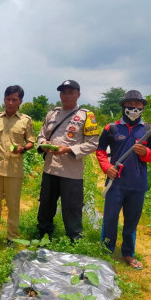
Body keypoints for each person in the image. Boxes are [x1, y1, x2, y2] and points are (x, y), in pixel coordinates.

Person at [96, 90, 151, 269]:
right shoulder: (111, 128)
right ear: (124, 106)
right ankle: (106, 250)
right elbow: (100, 150)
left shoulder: (149, 130)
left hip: (137, 184)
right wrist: (106, 167)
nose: (135, 108)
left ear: (143, 107)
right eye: (131, 104)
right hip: (115, 183)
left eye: (138, 105)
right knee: (110, 218)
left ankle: (128, 253)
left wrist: (146, 153)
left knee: (131, 220)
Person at [36, 80, 99, 241]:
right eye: (63, 92)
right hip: (50, 168)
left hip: (72, 171)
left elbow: (93, 143)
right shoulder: (52, 114)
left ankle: (74, 238)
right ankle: (44, 234)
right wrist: (44, 144)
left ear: (78, 94)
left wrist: (69, 149)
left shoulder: (86, 116)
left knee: (72, 207)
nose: (66, 96)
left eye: (70, 92)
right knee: (46, 204)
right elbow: (41, 134)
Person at [0, 85, 36, 248]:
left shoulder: (25, 121)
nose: (10, 103)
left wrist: (23, 148)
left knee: (13, 205)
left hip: (14, 168)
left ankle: (12, 237)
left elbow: (31, 141)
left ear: (20, 101)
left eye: (14, 100)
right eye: (8, 99)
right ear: (4, 99)